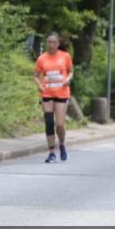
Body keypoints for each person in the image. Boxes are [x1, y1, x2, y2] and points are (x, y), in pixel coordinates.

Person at [33, 32, 73, 162]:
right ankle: (51, 152)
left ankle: (61, 144)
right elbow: (35, 75)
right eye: (49, 42)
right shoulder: (42, 58)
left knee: (59, 124)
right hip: (47, 93)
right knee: (49, 123)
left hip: (62, 93)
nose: (51, 45)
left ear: (58, 44)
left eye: (54, 42)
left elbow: (71, 71)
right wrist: (39, 85)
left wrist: (67, 79)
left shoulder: (65, 56)